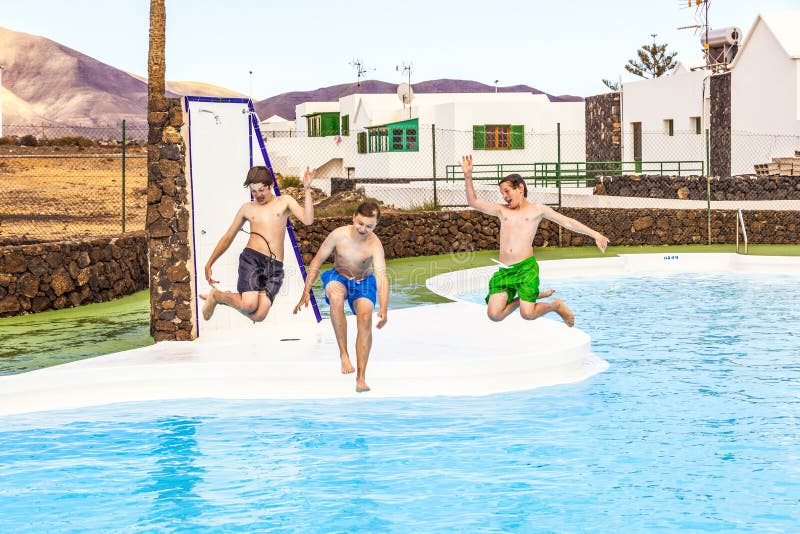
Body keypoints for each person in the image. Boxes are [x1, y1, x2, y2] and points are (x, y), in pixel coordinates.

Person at [460, 155, 609, 326]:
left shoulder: (537, 210)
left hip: (526, 269)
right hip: (504, 271)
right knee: (494, 315)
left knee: (528, 314)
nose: (504, 196)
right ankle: (528, 297)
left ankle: (555, 306)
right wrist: (467, 175)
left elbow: (567, 221)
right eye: (502, 193)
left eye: (507, 191)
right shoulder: (501, 211)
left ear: (520, 188)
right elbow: (473, 202)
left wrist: (596, 234)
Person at [293, 202, 389, 393]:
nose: (363, 229)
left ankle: (361, 377)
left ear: (375, 225)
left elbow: (382, 276)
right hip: (339, 277)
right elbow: (317, 261)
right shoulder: (338, 235)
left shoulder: (374, 244)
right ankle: (343, 354)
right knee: (336, 297)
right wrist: (306, 291)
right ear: (354, 217)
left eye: (369, 226)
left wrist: (384, 309)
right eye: (360, 223)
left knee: (365, 318)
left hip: (363, 282)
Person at [200, 165, 315, 322]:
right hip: (252, 259)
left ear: (271, 185)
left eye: (262, 190)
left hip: (275, 267)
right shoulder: (247, 208)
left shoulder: (284, 202)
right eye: (254, 191)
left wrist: (307, 189)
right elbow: (228, 237)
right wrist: (210, 262)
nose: (258, 195)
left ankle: (219, 296)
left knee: (259, 315)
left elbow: (308, 220)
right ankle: (216, 295)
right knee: (248, 306)